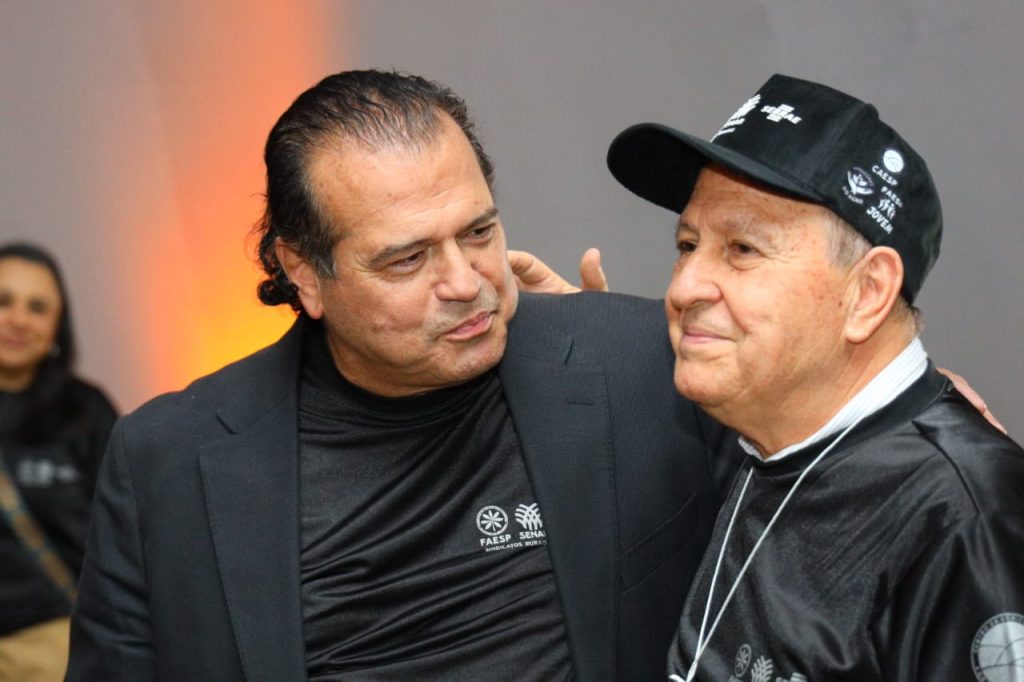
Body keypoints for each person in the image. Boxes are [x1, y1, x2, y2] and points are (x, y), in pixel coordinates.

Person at [66, 70, 735, 682]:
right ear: (304, 273)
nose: (465, 282)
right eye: (407, 260)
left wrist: (607, 351)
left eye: (478, 232)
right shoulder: (168, 459)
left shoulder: (645, 360)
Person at [603, 74, 1024, 680]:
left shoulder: (965, 520)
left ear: (868, 292)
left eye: (743, 249)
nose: (684, 286)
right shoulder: (773, 433)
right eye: (688, 244)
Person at [0, 242, 118, 682]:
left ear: (56, 327)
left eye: (37, 307)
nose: (17, 319)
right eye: (3, 301)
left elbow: (128, 529)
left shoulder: (85, 412)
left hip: (54, 648)